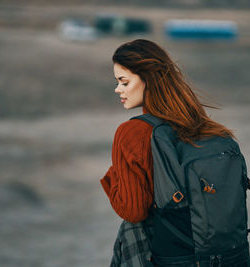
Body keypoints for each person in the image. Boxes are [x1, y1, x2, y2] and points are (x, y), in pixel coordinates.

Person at [100, 39, 238, 267]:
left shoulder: (132, 132)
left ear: (148, 80)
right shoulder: (200, 123)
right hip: (224, 257)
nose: (118, 89)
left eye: (124, 82)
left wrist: (112, 176)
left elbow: (133, 211)